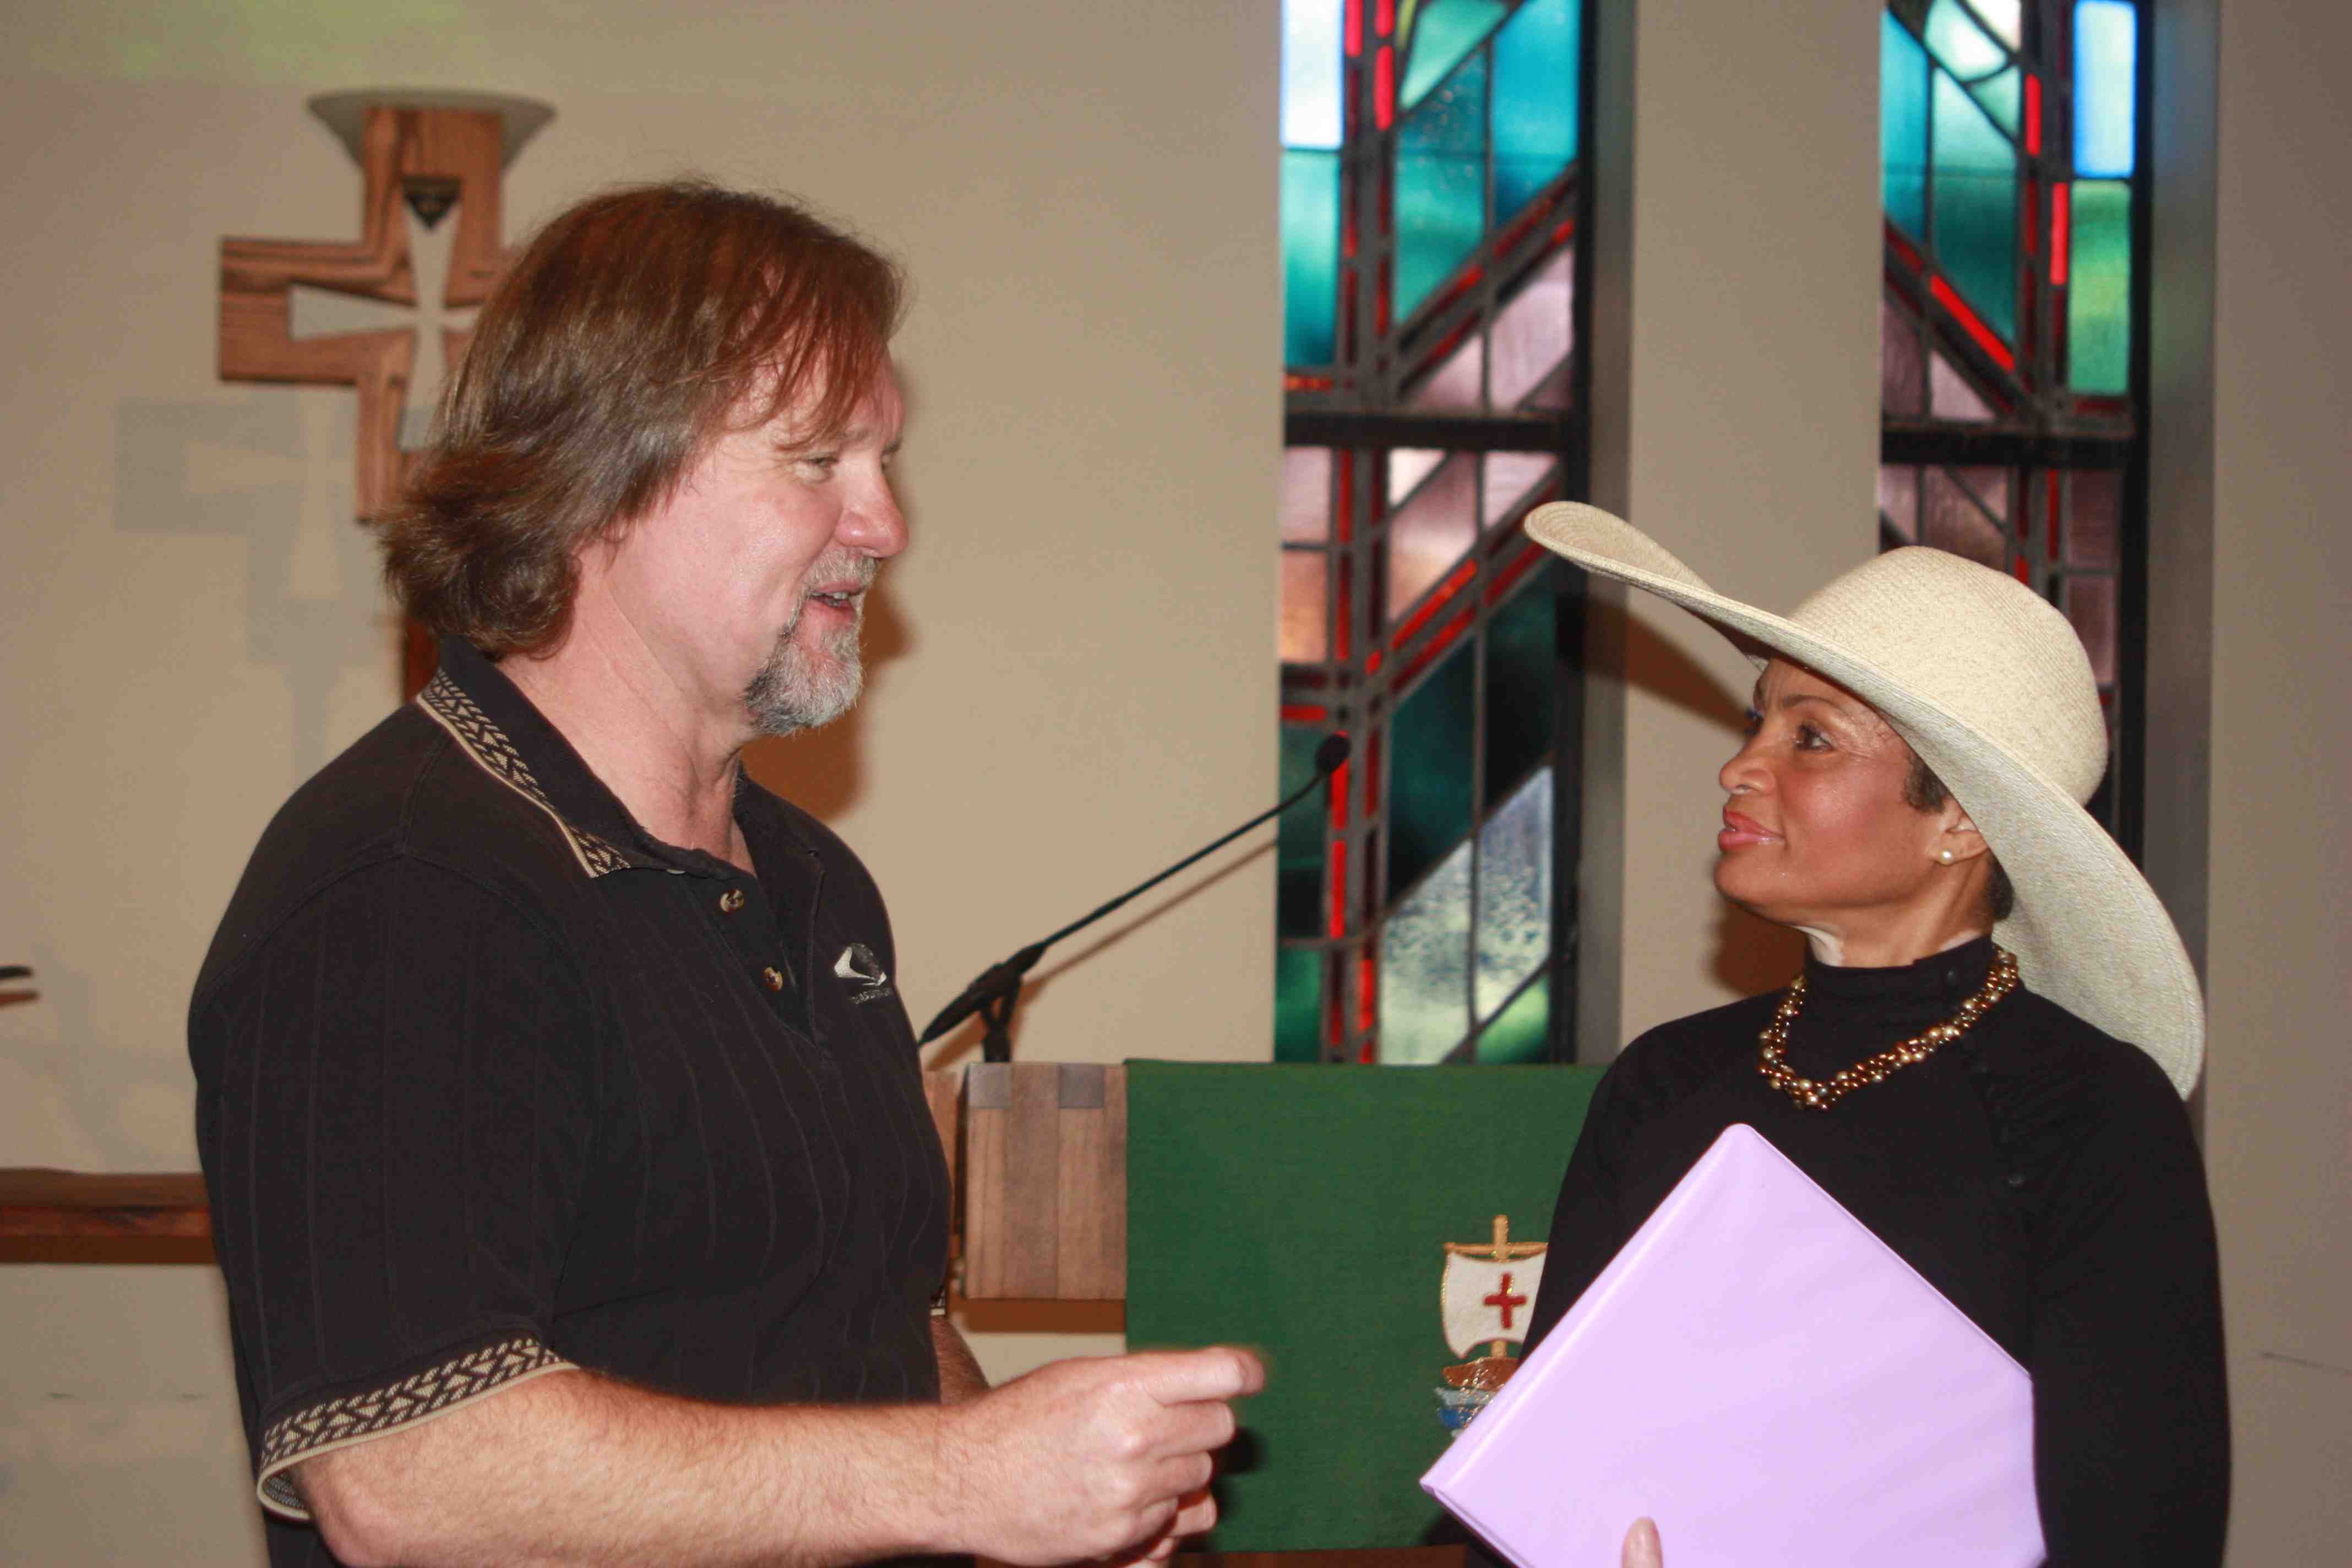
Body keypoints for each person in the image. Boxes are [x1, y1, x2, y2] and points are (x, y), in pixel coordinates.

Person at [188, 181, 1259, 1568]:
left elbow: (879, 1317)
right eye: (818, 460)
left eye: (884, 458)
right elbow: (408, 1470)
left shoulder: (813, 881)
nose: (885, 523)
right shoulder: (405, 886)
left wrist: (1039, 1515)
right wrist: (964, 1479)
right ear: (602, 480)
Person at [1513, 503, 2228, 1564]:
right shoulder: (1666, 1079)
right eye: (1758, 723)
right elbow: (1544, 1459)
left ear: (1960, 820)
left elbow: (2143, 1533)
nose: (1740, 766)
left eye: (1809, 737)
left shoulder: (2090, 1113)